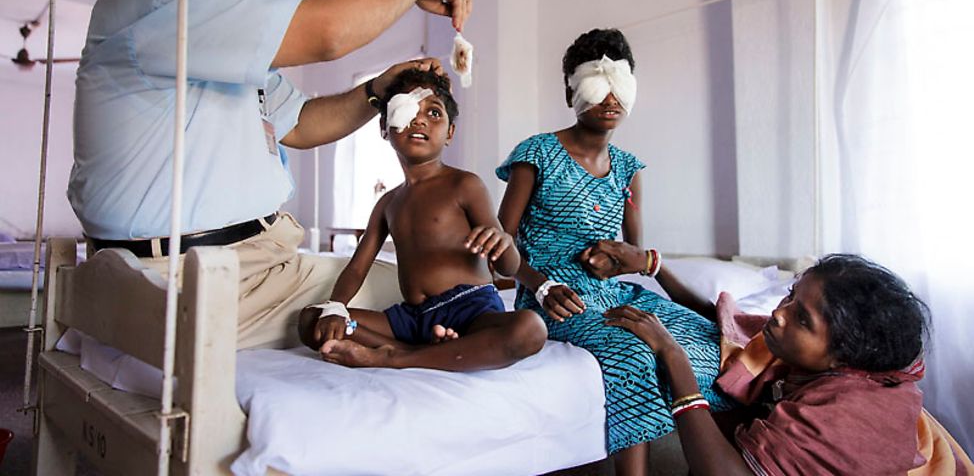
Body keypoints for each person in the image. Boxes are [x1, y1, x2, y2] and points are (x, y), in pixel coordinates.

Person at [67, 0, 472, 349]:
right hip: (197, 279)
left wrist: (378, 89)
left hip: (253, 268)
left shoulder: (219, 41)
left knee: (443, 298)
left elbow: (299, 123)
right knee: (452, 303)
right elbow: (328, 34)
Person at [496, 28, 735, 476]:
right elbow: (499, 246)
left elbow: (634, 253)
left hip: (617, 293)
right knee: (633, 350)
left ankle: (727, 456)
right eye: (596, 86)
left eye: (619, 87)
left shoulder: (628, 168)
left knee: (709, 336)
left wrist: (622, 258)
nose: (610, 99)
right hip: (557, 298)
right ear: (571, 90)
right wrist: (540, 284)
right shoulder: (537, 154)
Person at [606, 254, 974, 475]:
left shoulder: (848, 416)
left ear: (844, 354)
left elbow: (722, 474)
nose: (779, 315)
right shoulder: (835, 361)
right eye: (789, 297)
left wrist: (674, 357)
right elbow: (726, 325)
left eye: (802, 319)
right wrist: (654, 265)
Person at [297, 69, 547, 370]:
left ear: (450, 132)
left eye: (433, 112)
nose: (419, 119)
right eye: (407, 110)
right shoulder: (388, 203)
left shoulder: (465, 185)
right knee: (313, 319)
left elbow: (508, 266)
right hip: (413, 320)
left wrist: (504, 242)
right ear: (385, 128)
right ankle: (420, 349)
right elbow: (356, 267)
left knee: (530, 329)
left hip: (472, 312)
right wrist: (337, 306)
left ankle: (397, 357)